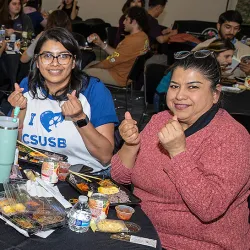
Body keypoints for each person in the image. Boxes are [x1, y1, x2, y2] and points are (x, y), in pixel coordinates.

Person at [111, 51, 250, 249]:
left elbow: (209, 208)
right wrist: (131, 144)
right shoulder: (159, 120)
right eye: (175, 86)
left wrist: (178, 152)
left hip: (198, 244)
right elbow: (119, 178)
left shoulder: (232, 137)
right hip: (141, 232)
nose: (179, 95)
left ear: (215, 94)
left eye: (192, 87)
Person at [8, 27, 118, 174]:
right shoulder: (26, 86)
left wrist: (79, 118)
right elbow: (11, 145)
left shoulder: (93, 91)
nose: (55, 63)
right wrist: (19, 110)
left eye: (63, 56)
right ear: (37, 62)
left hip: (84, 177)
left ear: (73, 62)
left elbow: (105, 156)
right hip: (36, 172)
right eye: (47, 56)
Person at [153, 39, 235, 112]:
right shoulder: (200, 64)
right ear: (215, 54)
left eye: (231, 57)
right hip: (162, 97)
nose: (230, 61)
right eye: (226, 56)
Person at [84, 6, 149, 87]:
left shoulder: (132, 41)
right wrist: (101, 44)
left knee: (84, 73)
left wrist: (93, 67)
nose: (124, 22)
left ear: (134, 22)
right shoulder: (143, 37)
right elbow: (119, 54)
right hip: (124, 72)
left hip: (118, 76)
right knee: (91, 64)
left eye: (126, 19)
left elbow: (110, 62)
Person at [193, 10, 250, 77]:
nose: (231, 32)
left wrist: (248, 72)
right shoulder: (204, 46)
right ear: (219, 26)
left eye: (236, 28)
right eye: (228, 27)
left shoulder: (246, 50)